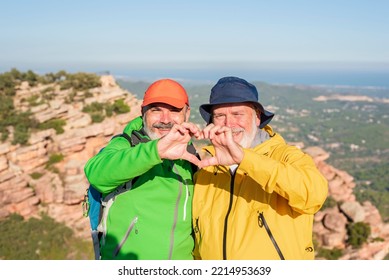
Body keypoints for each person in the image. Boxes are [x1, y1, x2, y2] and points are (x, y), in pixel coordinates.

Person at [192, 76, 328, 260]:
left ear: (257, 117)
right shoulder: (206, 171)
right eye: (220, 116)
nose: (229, 123)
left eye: (237, 114)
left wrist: (245, 158)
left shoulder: (285, 156)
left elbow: (314, 195)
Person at [84, 78, 201, 260]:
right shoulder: (126, 144)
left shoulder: (190, 155)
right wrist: (156, 151)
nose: (165, 119)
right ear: (143, 112)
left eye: (174, 111)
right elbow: (96, 173)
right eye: (156, 110)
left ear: (187, 114)